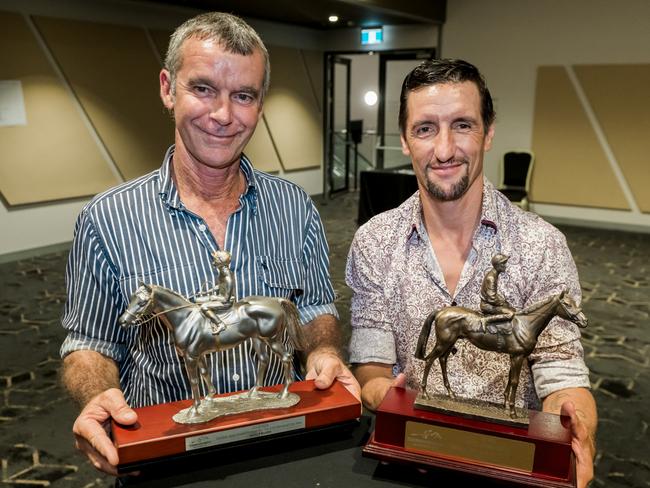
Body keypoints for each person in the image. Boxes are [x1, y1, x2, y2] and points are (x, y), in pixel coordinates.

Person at [60, 12, 359, 477]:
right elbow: (89, 342)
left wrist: (325, 351)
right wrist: (96, 393)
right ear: (167, 88)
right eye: (203, 89)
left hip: (285, 443)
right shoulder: (106, 219)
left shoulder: (296, 207)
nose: (223, 115)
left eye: (243, 96)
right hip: (168, 454)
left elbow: (315, 306)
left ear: (260, 105)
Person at [346, 59, 597, 487]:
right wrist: (382, 394)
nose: (444, 150)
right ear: (406, 140)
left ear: (489, 131)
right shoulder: (374, 240)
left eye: (462, 125)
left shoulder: (542, 244)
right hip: (412, 455)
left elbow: (562, 373)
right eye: (425, 129)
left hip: (510, 461)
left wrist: (576, 422)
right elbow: (371, 366)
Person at [196, 250, 235, 333]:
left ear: (221, 262)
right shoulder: (222, 273)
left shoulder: (228, 278)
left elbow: (225, 299)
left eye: (215, 260)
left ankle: (220, 323)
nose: (213, 262)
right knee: (196, 300)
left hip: (225, 302)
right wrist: (208, 291)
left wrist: (214, 297)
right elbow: (220, 286)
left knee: (204, 307)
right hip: (219, 298)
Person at [479, 253, 515, 331]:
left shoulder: (494, 274)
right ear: (498, 265)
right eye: (503, 263)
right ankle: (487, 320)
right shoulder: (491, 278)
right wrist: (502, 302)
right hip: (487, 305)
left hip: (490, 303)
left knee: (511, 308)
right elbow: (491, 298)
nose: (505, 265)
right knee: (510, 314)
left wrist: (503, 301)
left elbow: (493, 294)